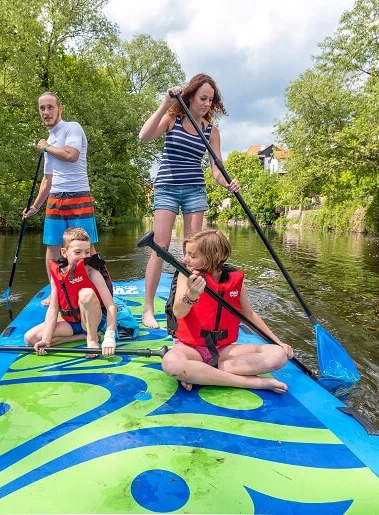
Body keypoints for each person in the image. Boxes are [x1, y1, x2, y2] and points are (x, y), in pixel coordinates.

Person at [138, 73, 240, 329]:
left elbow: (216, 168)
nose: (206, 103)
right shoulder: (173, 118)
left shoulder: (211, 130)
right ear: (191, 96)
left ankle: (191, 305)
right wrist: (164, 103)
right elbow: (144, 136)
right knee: (160, 246)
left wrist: (226, 182)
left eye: (211, 100)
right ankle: (148, 309)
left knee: (196, 253)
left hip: (195, 189)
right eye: (203, 98)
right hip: (167, 187)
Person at [161, 229, 293, 393]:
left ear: (213, 256)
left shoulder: (233, 278)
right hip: (190, 349)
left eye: (192, 256)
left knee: (279, 356)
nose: (185, 259)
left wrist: (277, 342)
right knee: (171, 363)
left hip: (223, 350)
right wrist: (192, 294)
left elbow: (249, 315)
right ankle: (253, 383)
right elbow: (179, 312)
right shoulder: (186, 275)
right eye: (186, 253)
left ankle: (201, 374)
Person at [24, 92, 99, 305]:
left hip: (78, 196)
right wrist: (36, 206)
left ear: (59, 109)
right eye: (42, 108)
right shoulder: (49, 140)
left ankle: (99, 289)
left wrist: (45, 147)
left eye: (50, 107)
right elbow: (47, 179)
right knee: (52, 248)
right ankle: (56, 293)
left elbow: (71, 155)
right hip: (56, 199)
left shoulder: (71, 128)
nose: (46, 112)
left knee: (88, 248)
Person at [24, 227, 117, 358]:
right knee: (30, 338)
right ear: (64, 252)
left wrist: (110, 336)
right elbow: (53, 309)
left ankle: (92, 339)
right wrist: (46, 339)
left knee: (86, 293)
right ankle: (81, 336)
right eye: (77, 252)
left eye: (87, 252)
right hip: (71, 323)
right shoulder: (58, 274)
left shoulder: (92, 272)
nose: (83, 257)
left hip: (92, 320)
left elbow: (111, 306)